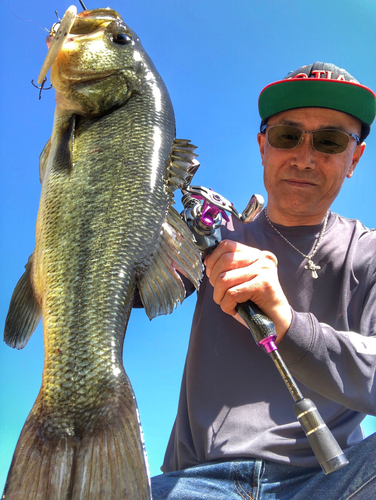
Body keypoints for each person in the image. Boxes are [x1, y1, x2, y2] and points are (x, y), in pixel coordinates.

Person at [151, 62, 376, 499]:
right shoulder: (211, 239)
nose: (304, 157)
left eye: (329, 141)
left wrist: (289, 323)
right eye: (286, 136)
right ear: (263, 146)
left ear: (355, 158)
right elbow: (133, 282)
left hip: (336, 483)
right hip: (195, 484)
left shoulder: (368, 253)